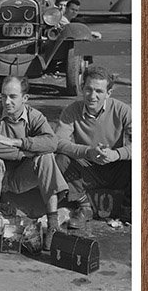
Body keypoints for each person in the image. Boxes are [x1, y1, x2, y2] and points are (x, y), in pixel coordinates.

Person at [0, 76, 69, 252]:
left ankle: (52, 225)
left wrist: (14, 142)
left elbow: (52, 142)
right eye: (3, 96)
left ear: (25, 98)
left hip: (22, 177)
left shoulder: (35, 117)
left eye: (13, 96)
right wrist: (26, 153)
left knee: (46, 157)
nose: (7, 101)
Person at [54, 65, 131, 216]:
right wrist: (88, 151)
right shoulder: (71, 111)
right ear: (82, 88)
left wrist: (116, 154)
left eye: (99, 91)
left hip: (116, 169)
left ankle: (128, 206)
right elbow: (58, 142)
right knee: (60, 159)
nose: (92, 96)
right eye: (88, 89)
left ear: (108, 93)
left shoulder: (122, 110)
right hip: (87, 169)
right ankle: (83, 204)